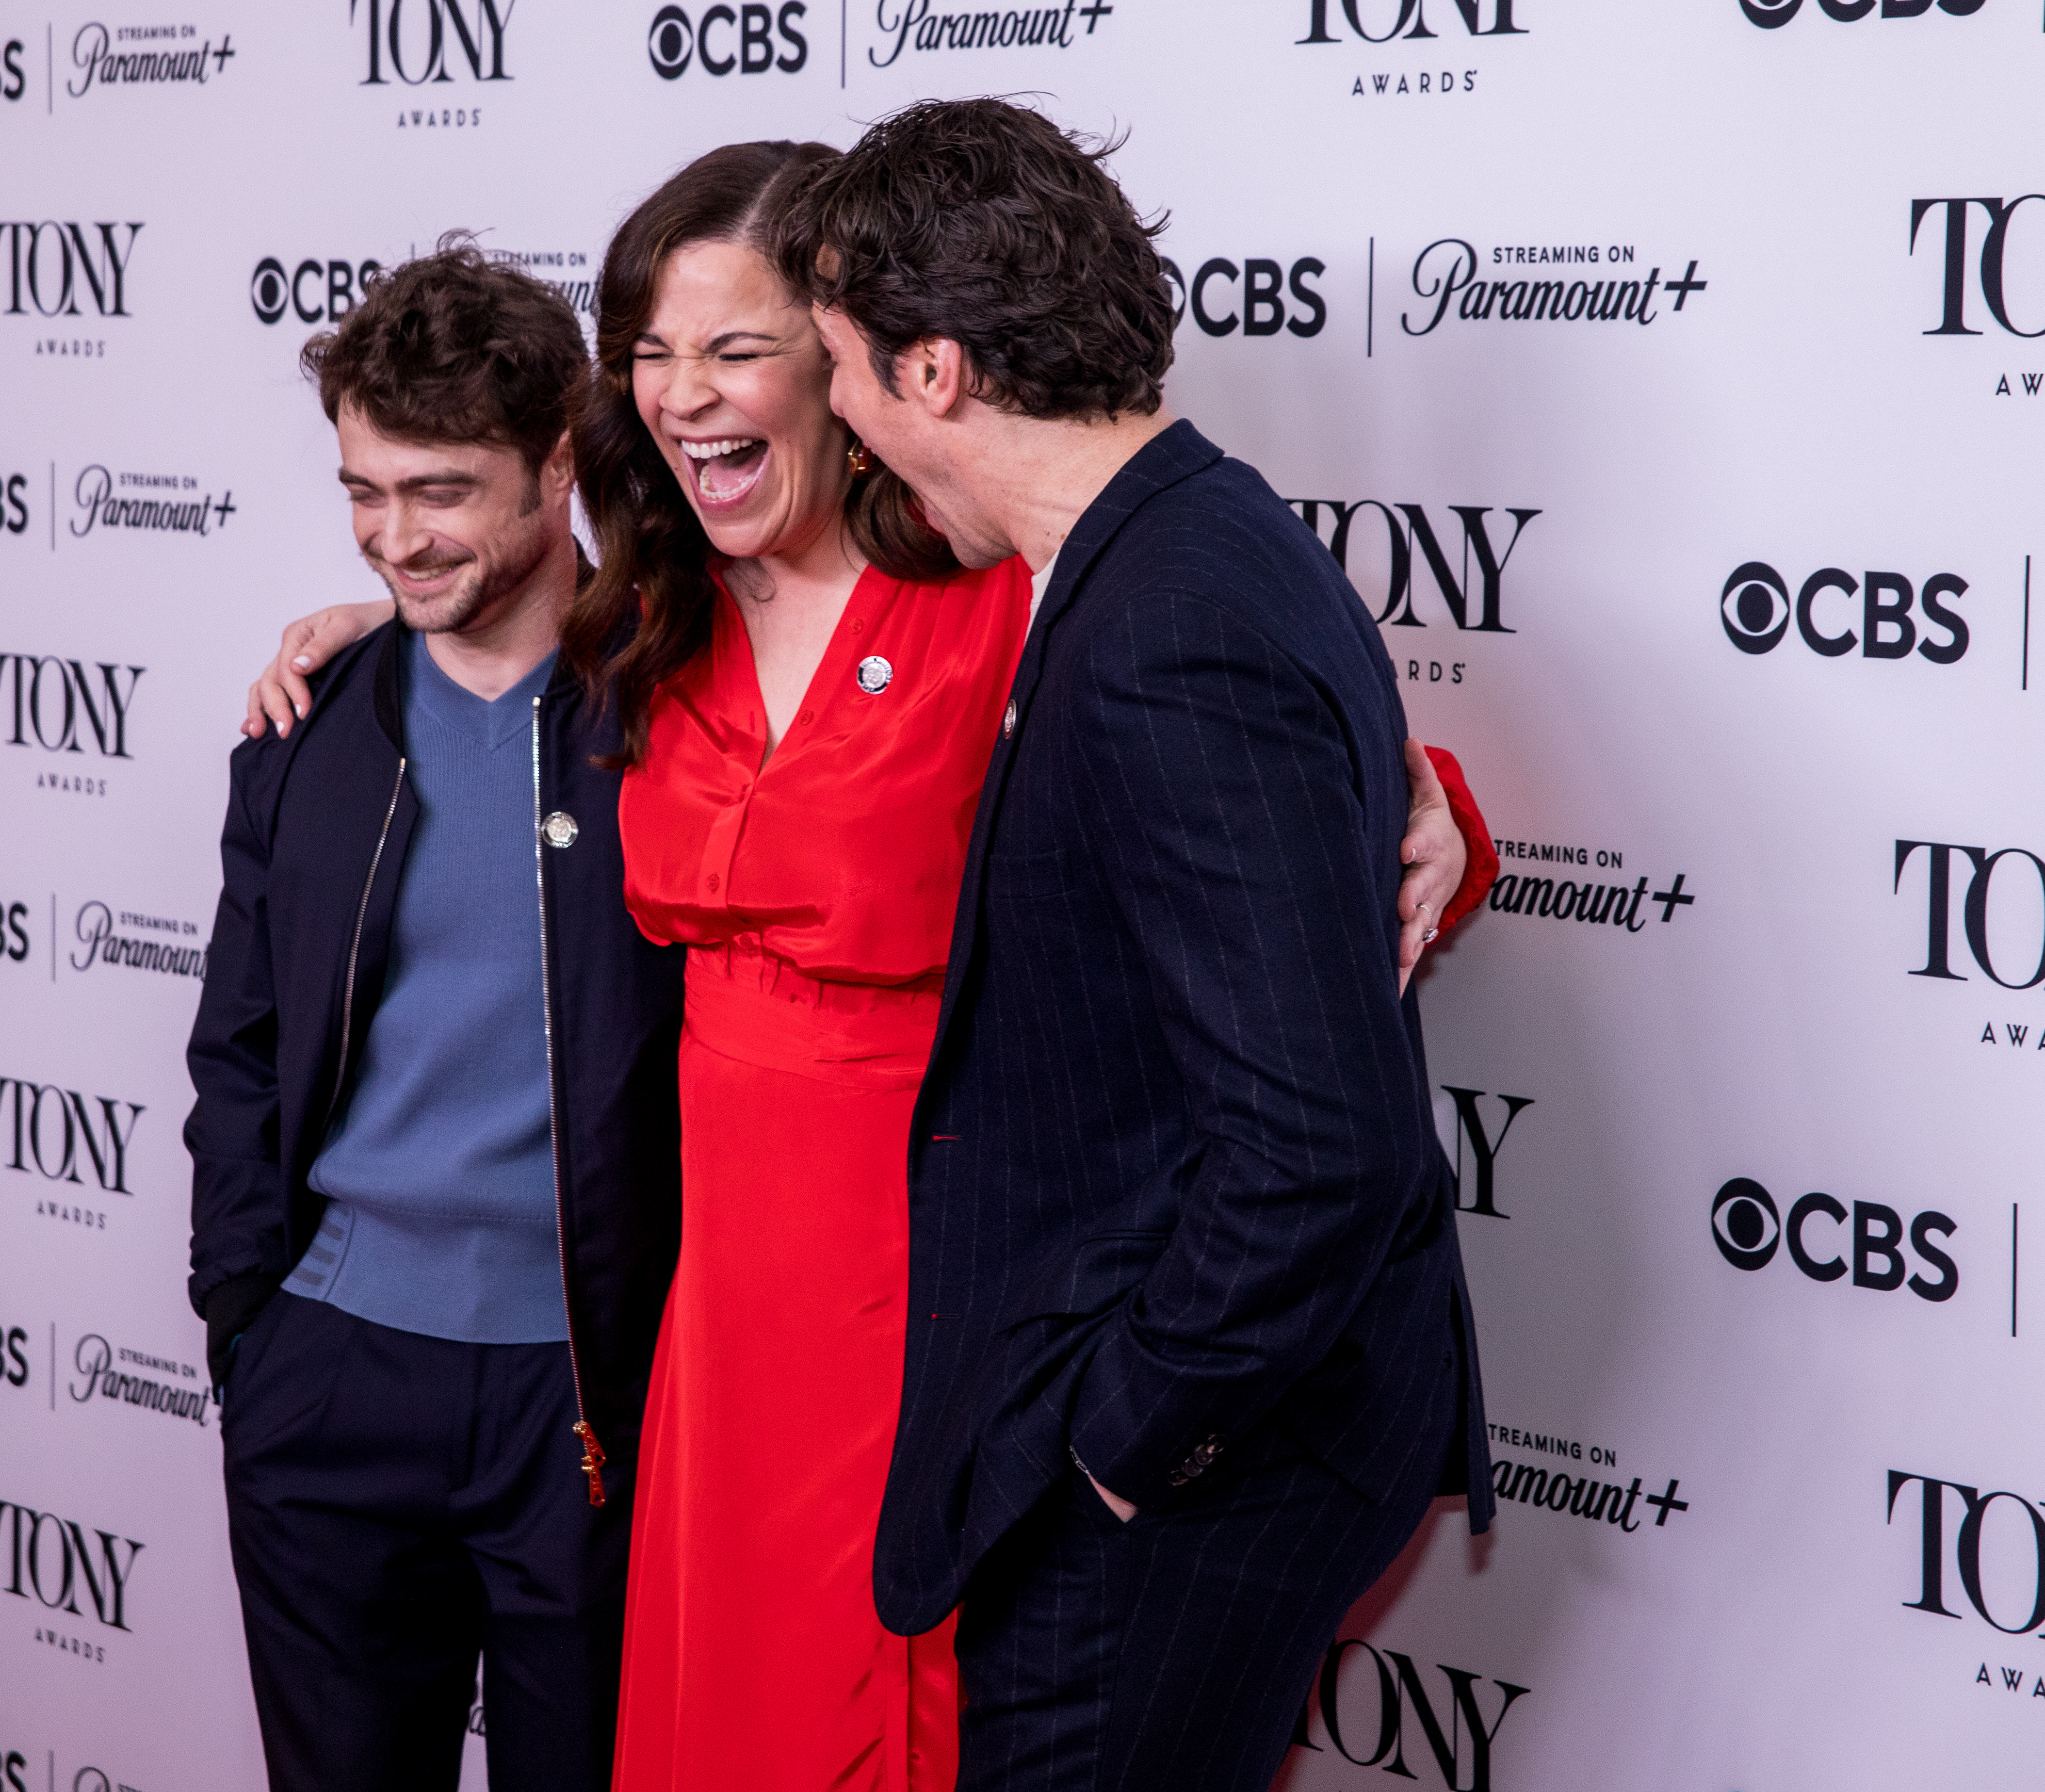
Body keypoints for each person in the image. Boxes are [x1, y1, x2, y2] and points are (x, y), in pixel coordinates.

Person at [243, 148, 1495, 1792]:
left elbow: (1242, 805)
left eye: (739, 348)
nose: (688, 395)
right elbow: (467, 635)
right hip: (714, 1323)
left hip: (951, 1286)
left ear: (849, 365)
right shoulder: (640, 622)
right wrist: (355, 637)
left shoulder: (1007, 593)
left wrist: (1436, 822)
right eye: (654, 351)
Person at [768, 98, 1496, 1792]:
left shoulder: (1167, 618)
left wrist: (1125, 1442)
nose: (851, 427)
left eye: (847, 374)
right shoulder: (1176, 548)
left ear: (933, 370)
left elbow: (1318, 1149)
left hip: (1188, 1489)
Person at [181, 238, 683, 1792]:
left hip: (590, 1392)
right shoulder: (308, 732)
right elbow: (240, 1050)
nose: (397, 540)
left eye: (443, 492)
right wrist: (244, 1326)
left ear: (555, 468)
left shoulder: (691, 709)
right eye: (364, 493)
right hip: (330, 1373)